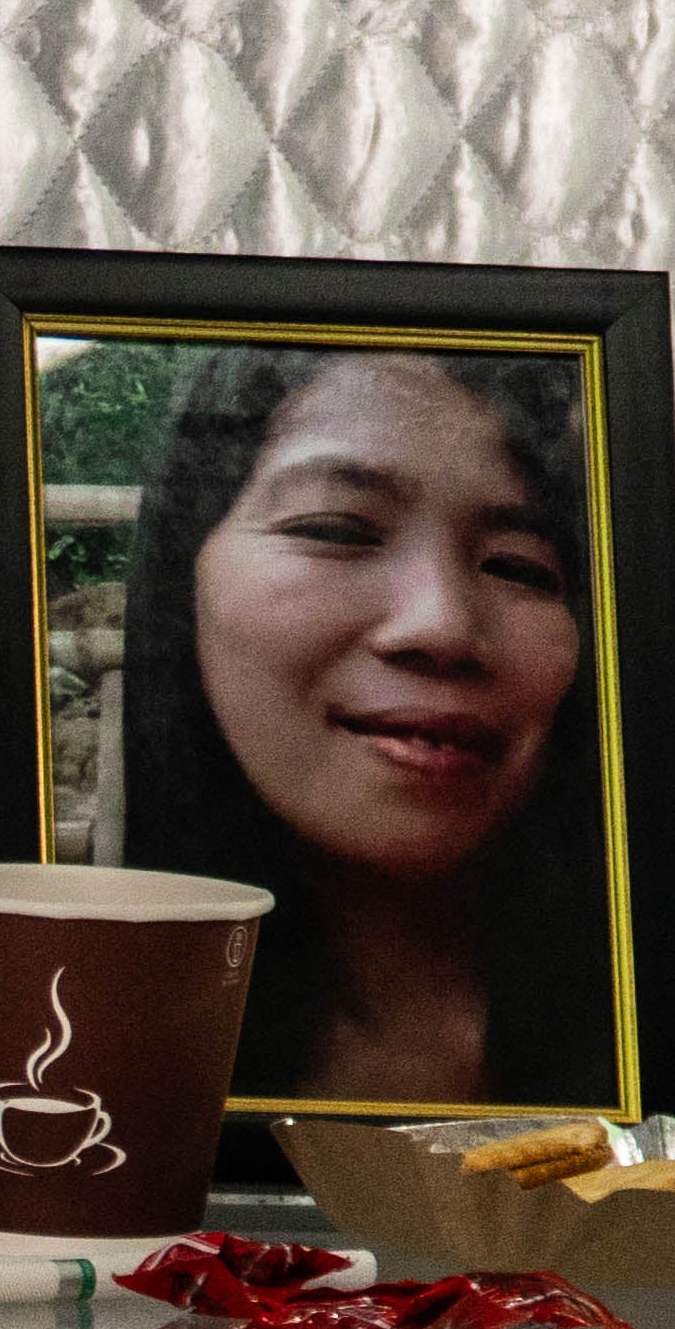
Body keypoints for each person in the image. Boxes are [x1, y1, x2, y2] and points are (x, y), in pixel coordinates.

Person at [109, 343, 615, 1107]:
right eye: (337, 531)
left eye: (517, 566)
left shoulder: (647, 1039)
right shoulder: (88, 1049)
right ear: (184, 578)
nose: (441, 625)